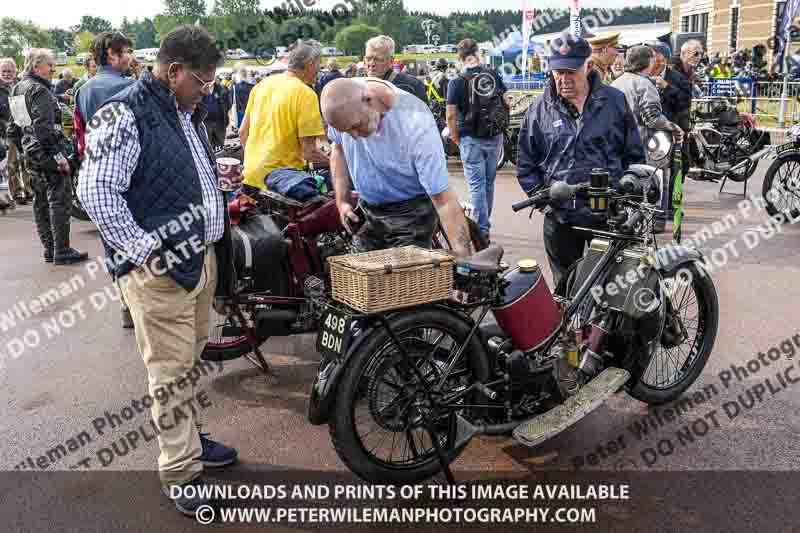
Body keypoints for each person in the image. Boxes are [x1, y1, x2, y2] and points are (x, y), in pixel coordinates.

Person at [78, 25, 238, 517]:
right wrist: (145, 249)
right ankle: (181, 470)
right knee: (170, 373)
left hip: (198, 260)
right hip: (163, 268)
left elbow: (174, 172)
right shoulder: (124, 112)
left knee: (187, 364)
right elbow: (95, 191)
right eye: (203, 81)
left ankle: (188, 439)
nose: (208, 90)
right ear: (174, 72)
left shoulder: (183, 111)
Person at [516, 32, 645, 284]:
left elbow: (634, 155)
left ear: (588, 66)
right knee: (565, 289)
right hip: (561, 219)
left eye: (571, 72)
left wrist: (628, 193)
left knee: (610, 288)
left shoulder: (614, 102)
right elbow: (526, 163)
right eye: (558, 72)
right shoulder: (538, 110)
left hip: (608, 216)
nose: (564, 79)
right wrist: (546, 202)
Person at [321, 77, 473, 257]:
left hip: (412, 213)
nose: (353, 136)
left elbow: (444, 200)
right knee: (359, 271)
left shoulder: (415, 121)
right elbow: (338, 148)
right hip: (368, 209)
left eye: (356, 126)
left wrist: (464, 257)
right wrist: (342, 201)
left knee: (406, 273)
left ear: (369, 99)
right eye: (346, 131)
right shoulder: (343, 103)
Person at [74, 31, 137, 328]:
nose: (131, 57)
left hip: (96, 171)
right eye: (127, 51)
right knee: (136, 238)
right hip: (131, 173)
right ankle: (138, 304)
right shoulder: (128, 86)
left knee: (111, 239)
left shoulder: (83, 90)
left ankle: (124, 302)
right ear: (112, 54)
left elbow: (81, 137)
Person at [7, 49, 89, 265]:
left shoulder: (17, 88)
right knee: (59, 198)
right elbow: (43, 129)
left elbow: (13, 129)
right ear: (36, 66)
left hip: (31, 152)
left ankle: (50, 249)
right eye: (50, 65)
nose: (54, 69)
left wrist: (25, 149)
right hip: (47, 152)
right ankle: (61, 250)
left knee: (41, 201)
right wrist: (58, 156)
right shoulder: (39, 90)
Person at [239, 40, 329, 201]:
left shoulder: (263, 84)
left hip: (250, 176)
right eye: (319, 64)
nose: (320, 69)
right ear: (310, 64)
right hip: (281, 184)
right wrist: (336, 163)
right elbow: (309, 152)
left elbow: (242, 132)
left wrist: (256, 163)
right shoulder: (305, 94)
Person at [611, 46, 684, 233]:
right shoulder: (644, 84)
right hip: (645, 144)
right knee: (655, 181)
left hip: (619, 144)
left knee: (627, 183)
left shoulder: (616, 83)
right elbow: (652, 118)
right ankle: (655, 222)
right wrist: (672, 127)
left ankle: (627, 220)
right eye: (652, 59)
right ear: (647, 61)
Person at [446, 38, 509, 241]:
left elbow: (450, 115)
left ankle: (481, 230)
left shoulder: (456, 81)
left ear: (460, 57)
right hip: (494, 136)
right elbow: (506, 102)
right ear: (477, 53)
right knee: (488, 183)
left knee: (476, 185)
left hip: (470, 138)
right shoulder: (493, 74)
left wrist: (456, 138)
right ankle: (484, 223)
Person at [1, 57, 34, 206]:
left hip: (24, 128)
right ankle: (16, 193)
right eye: (4, 71)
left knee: (27, 160)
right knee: (12, 163)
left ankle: (29, 190)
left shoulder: (21, 85)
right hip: (7, 131)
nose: (7, 74)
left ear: (15, 71)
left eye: (10, 71)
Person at [365, 36, 427, 104]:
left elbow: (423, 110)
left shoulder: (411, 86)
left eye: (378, 59)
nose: (371, 64)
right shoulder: (359, 85)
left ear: (391, 61)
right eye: (368, 58)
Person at [203, 80, 230, 151]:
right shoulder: (200, 88)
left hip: (219, 122)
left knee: (220, 147)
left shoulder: (222, 89)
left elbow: (228, 104)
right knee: (208, 147)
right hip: (205, 123)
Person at [230, 64, 255, 128]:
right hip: (248, 111)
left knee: (242, 128)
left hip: (241, 110)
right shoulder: (252, 86)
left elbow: (231, 100)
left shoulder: (235, 87)